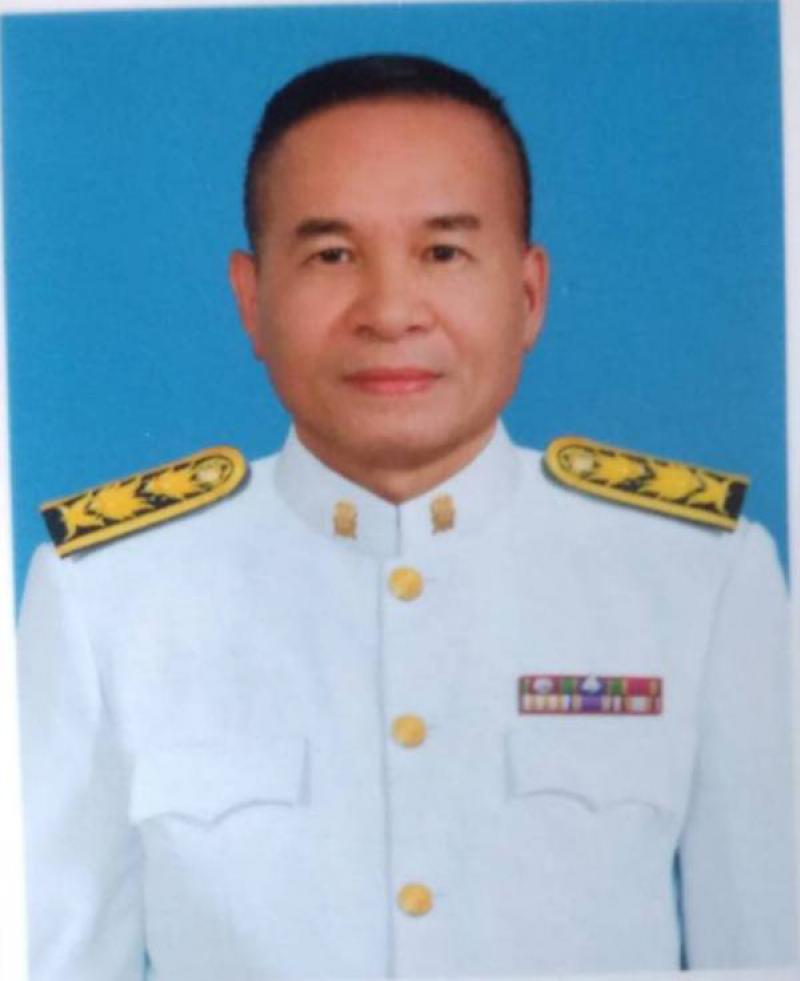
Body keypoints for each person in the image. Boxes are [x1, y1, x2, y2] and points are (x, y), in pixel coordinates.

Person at [16, 54, 795, 980]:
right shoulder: (108, 598)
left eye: (443, 252)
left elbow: (770, 950)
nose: (389, 313)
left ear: (528, 294)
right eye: (332, 255)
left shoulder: (697, 577)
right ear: (252, 299)